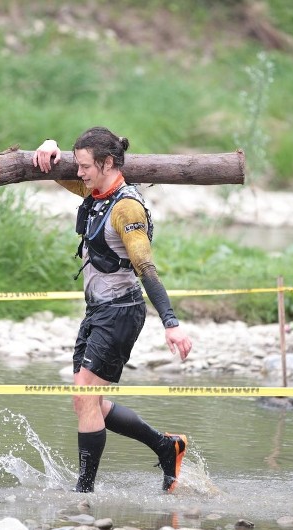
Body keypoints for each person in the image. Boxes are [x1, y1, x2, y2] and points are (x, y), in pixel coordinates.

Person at [32, 126, 193, 493]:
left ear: (107, 163)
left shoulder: (125, 209)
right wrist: (49, 145)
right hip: (96, 311)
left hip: (121, 312)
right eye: (78, 165)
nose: (79, 172)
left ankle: (84, 492)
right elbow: (55, 170)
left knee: (85, 395)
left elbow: (146, 268)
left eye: (85, 165)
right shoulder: (95, 190)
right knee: (87, 400)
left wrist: (171, 323)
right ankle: (167, 447)